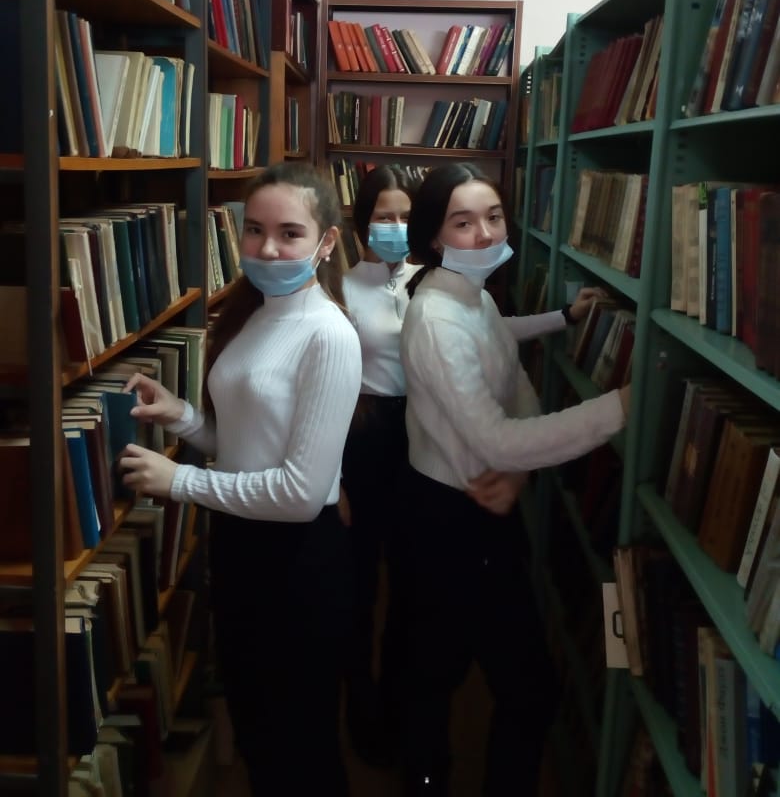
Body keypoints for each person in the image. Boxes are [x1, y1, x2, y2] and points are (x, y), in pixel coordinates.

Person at [117, 162, 362, 797]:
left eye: (289, 233)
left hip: (297, 561)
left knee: (300, 747)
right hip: (243, 545)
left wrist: (182, 482)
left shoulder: (330, 334)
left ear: (327, 242)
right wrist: (183, 416)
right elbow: (246, 445)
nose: (268, 249)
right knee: (259, 732)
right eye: (254, 230)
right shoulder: (253, 311)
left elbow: (299, 494)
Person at [395, 162, 631, 797]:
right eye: (463, 222)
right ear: (435, 236)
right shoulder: (437, 318)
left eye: (494, 217)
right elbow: (498, 437)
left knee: (458, 676)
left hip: (479, 506)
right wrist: (618, 408)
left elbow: (517, 391)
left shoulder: (475, 299)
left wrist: (518, 474)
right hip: (447, 518)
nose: (485, 233)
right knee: (482, 684)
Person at [339, 165, 420, 762]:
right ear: (361, 223)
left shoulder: (429, 281)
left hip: (419, 435)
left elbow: (493, 332)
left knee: (412, 582)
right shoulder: (339, 289)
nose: (396, 227)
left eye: (406, 217)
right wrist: (334, 479)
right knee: (360, 582)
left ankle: (399, 705)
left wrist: (562, 318)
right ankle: (360, 706)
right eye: (384, 216)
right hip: (362, 436)